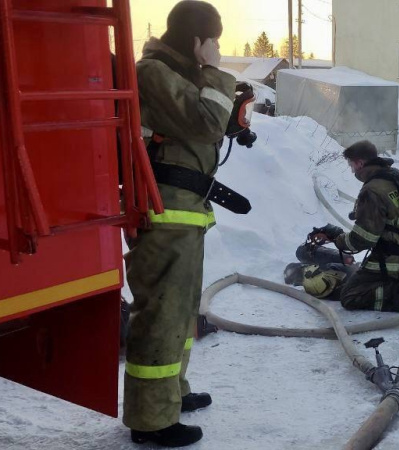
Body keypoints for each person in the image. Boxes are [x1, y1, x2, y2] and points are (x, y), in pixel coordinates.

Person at [123, 1, 236, 446]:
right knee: (161, 315)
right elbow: (207, 123)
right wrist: (214, 73)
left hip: (183, 212)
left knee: (181, 313)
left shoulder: (176, 75)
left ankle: (170, 395)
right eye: (213, 42)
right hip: (163, 212)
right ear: (196, 41)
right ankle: (151, 421)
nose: (216, 50)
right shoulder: (153, 73)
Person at [313, 140, 399, 312]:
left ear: (360, 163)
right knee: (357, 275)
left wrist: (337, 238)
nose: (352, 170)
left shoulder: (372, 190)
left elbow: (362, 240)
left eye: (352, 165)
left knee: (350, 296)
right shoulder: (396, 175)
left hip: (391, 258)